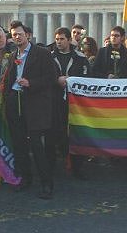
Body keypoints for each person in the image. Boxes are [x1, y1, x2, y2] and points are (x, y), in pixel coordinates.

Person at [3, 20, 57, 199]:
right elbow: (10, 78)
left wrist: (31, 83)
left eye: (19, 34)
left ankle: (46, 183)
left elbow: (51, 78)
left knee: (37, 146)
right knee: (19, 145)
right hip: (16, 103)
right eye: (13, 35)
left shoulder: (42, 53)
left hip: (35, 105)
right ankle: (25, 178)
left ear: (28, 35)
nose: (16, 37)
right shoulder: (12, 55)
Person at [51, 27, 90, 180]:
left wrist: (72, 81)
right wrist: (57, 80)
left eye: (61, 39)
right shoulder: (49, 57)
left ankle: (77, 167)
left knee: (75, 134)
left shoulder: (80, 58)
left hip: (76, 103)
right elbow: (44, 75)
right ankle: (56, 164)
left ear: (68, 40)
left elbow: (87, 77)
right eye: (57, 39)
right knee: (56, 133)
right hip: (55, 101)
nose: (58, 42)